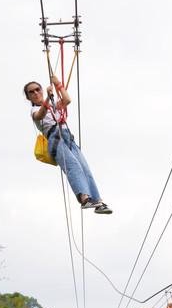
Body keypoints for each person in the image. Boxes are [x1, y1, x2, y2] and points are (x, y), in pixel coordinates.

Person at [24, 77, 112, 214]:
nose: (35, 93)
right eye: (31, 92)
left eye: (37, 89)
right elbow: (40, 115)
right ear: (28, 97)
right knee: (73, 166)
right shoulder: (34, 110)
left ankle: (97, 201)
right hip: (55, 138)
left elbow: (67, 100)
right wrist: (47, 98)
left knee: (85, 169)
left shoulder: (54, 105)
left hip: (67, 137)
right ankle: (84, 198)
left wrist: (57, 84)